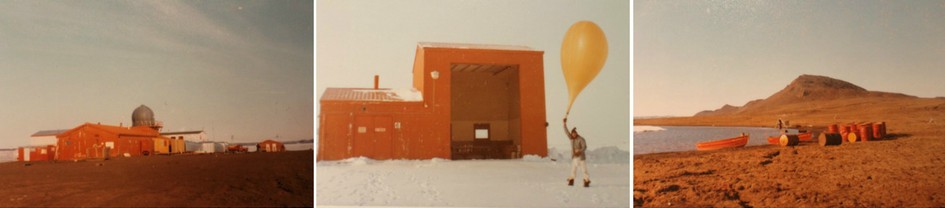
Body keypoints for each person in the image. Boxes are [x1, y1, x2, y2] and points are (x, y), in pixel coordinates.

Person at [563, 118, 590, 187]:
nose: (573, 135)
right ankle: (571, 180)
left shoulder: (581, 139)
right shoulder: (571, 138)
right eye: (572, 134)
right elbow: (566, 132)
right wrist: (564, 124)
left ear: (576, 133)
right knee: (573, 170)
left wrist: (579, 151)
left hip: (581, 157)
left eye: (574, 133)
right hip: (575, 157)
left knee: (584, 170)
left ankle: (586, 181)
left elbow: (584, 146)